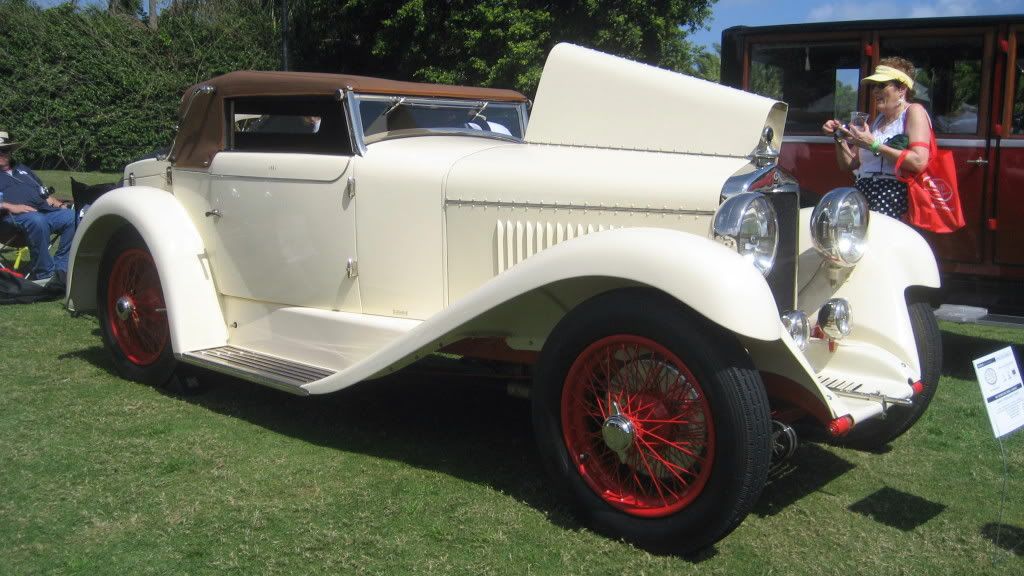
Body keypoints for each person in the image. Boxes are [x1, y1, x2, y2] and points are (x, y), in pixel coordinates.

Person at [821, 57, 932, 219]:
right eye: (874, 87)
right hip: (864, 191)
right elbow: (849, 164)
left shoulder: (914, 111)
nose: (875, 91)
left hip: (894, 195)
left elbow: (919, 161)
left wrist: (873, 144)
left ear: (901, 89)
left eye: (881, 86)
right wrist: (839, 137)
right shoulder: (878, 120)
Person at [0, 131, 77, 283]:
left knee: (72, 217)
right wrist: (11, 207)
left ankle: (61, 269)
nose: (2, 154)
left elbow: (44, 194)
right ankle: (44, 273)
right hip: (10, 221)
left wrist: (60, 205)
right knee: (37, 220)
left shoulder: (23, 169)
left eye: (5, 150)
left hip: (42, 213)